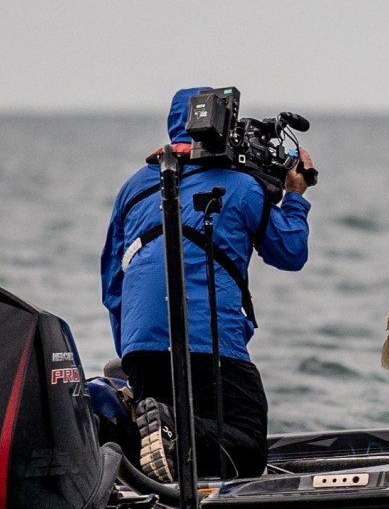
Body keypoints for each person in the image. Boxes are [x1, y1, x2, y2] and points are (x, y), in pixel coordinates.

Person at [100, 86, 316, 481]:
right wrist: (295, 195)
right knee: (246, 447)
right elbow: (290, 252)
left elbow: (113, 287)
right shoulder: (241, 186)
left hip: (140, 346)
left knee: (170, 435)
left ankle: (144, 430)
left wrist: (132, 353)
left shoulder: (131, 189)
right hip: (210, 346)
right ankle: (171, 427)